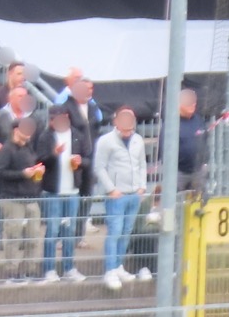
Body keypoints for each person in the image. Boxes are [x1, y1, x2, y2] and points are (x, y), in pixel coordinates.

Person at [93, 107, 149, 290]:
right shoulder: (106, 141)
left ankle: (119, 266)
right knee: (114, 232)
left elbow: (142, 164)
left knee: (126, 232)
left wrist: (142, 186)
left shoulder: (138, 140)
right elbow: (99, 167)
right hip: (117, 195)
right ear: (115, 120)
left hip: (134, 194)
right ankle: (110, 270)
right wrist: (111, 189)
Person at [38, 104, 88, 282]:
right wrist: (54, 154)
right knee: (52, 230)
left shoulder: (77, 135)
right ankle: (49, 269)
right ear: (52, 121)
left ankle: (69, 267)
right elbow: (40, 161)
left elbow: (88, 159)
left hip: (72, 190)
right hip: (53, 191)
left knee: (70, 231)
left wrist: (80, 162)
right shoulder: (45, 137)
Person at [0, 115, 45, 285]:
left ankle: (30, 269)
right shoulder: (7, 149)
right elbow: (1, 172)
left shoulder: (29, 147)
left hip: (31, 197)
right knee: (13, 236)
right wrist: (22, 174)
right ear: (16, 130)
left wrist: (37, 170)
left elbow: (31, 165)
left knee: (33, 236)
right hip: (12, 198)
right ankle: (12, 272)